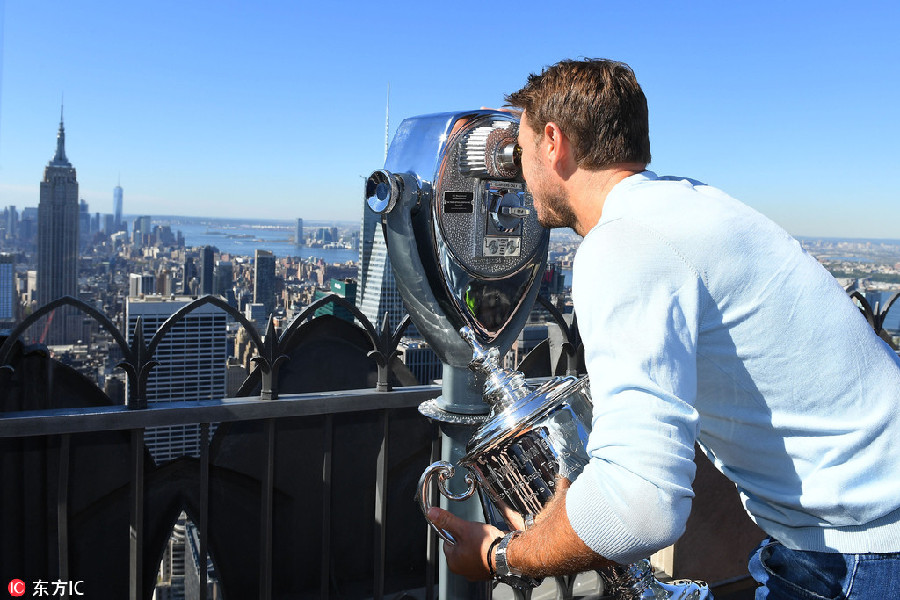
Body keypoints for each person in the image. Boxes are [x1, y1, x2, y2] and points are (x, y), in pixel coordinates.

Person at [427, 58, 900, 598]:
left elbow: (640, 506)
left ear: (553, 142)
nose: (516, 169)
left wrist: (500, 555)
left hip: (861, 552)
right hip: (854, 525)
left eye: (522, 146)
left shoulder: (626, 243)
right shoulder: (687, 204)